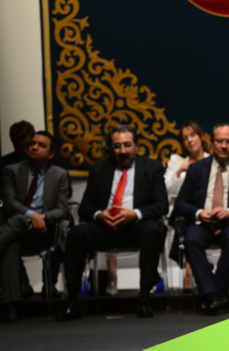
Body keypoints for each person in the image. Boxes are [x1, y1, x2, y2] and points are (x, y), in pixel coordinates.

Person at [56, 125, 168, 321]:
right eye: (117, 146)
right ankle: (73, 302)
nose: (122, 151)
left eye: (127, 145)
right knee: (76, 234)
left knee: (152, 230)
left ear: (137, 146)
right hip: (105, 227)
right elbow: (85, 208)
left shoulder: (152, 168)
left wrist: (135, 214)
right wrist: (100, 214)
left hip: (135, 227)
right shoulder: (99, 169)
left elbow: (162, 205)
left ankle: (144, 298)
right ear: (110, 148)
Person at [174, 123, 229, 314]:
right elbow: (181, 203)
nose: (224, 145)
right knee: (190, 239)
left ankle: (211, 295)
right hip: (202, 222)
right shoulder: (197, 168)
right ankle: (214, 296)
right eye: (219, 141)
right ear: (212, 142)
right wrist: (199, 213)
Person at [0, 131, 69, 323]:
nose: (34, 147)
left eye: (41, 145)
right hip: (17, 231)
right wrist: (32, 216)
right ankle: (11, 306)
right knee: (12, 242)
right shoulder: (11, 171)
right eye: (32, 143)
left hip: (45, 231)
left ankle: (10, 305)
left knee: (14, 229)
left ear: (51, 153)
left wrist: (42, 218)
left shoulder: (59, 175)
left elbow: (62, 209)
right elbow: (10, 202)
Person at [165, 120, 210, 289]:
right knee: (185, 212)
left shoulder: (211, 160)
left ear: (202, 137)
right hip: (180, 212)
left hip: (207, 211)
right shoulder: (176, 160)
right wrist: (179, 172)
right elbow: (167, 191)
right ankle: (203, 260)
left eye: (193, 135)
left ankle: (189, 272)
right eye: (185, 138)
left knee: (193, 215)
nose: (189, 140)